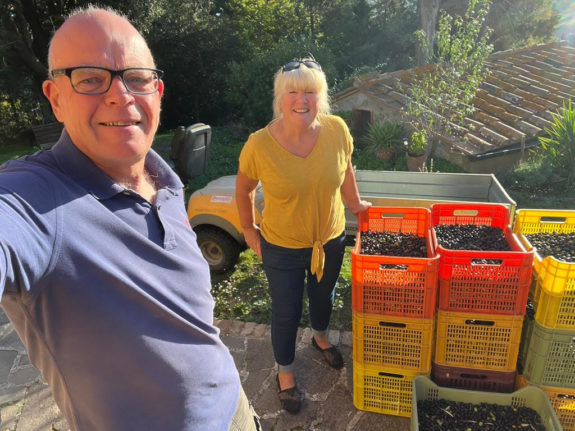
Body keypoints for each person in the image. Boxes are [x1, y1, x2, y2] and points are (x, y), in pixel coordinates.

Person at [0, 7, 259, 431]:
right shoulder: (34, 198)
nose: (120, 95)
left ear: (157, 91)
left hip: (235, 409)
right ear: (55, 98)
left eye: (136, 77)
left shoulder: (167, 183)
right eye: (90, 78)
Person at [235, 58, 371, 414]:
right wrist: (249, 229)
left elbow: (346, 169)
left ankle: (321, 337)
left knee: (323, 296)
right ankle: (286, 374)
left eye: (310, 91)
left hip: (330, 239)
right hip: (280, 246)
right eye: (293, 91)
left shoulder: (337, 129)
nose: (302, 100)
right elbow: (244, 188)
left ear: (321, 96)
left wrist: (356, 204)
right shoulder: (259, 144)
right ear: (281, 98)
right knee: (286, 311)